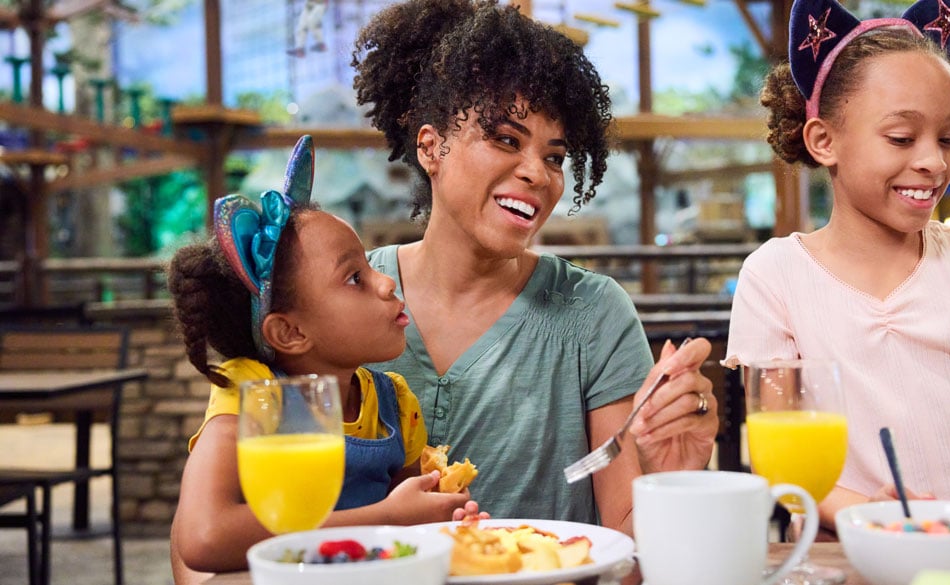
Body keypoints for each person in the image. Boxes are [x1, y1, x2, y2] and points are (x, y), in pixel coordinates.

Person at [351, 0, 720, 536]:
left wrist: (672, 474)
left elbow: (627, 544)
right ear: (431, 147)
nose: (537, 174)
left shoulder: (593, 315)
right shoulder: (343, 297)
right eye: (505, 139)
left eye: (553, 157)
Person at [725, 0, 950, 531]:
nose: (934, 162)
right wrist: (870, 516)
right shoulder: (774, 275)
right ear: (824, 141)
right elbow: (775, 453)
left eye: (948, 138)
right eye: (901, 138)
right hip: (849, 554)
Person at [167, 136, 479, 577]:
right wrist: (385, 518)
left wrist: (441, 519)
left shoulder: (395, 406)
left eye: (371, 267)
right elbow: (203, 538)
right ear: (290, 331)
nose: (386, 283)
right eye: (355, 277)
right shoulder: (255, 393)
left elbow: (410, 525)